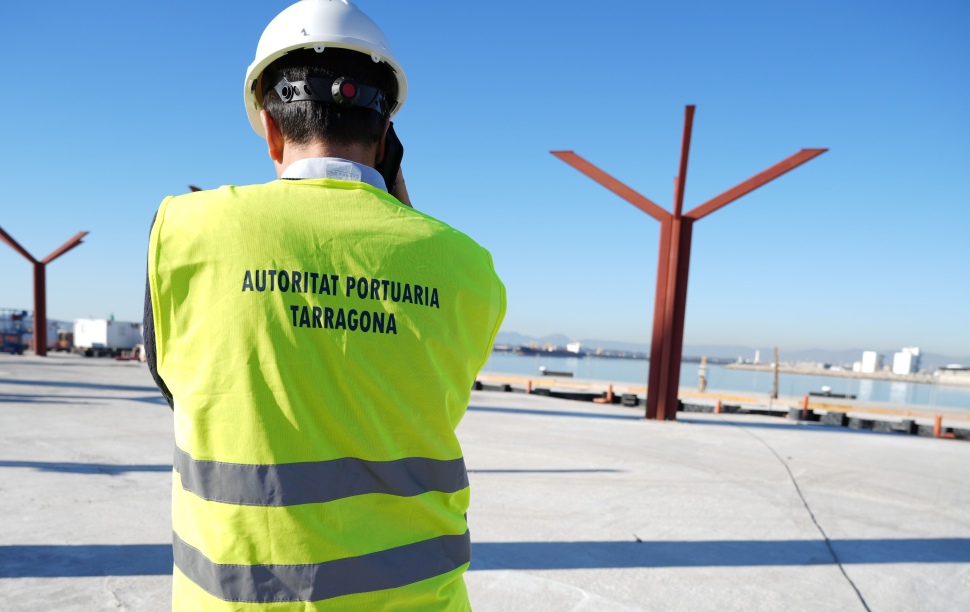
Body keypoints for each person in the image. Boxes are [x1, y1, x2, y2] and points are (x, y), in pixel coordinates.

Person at [144, 1, 506, 609]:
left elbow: (175, 380)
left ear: (270, 126)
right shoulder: (469, 265)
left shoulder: (185, 230)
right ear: (387, 134)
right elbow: (427, 382)